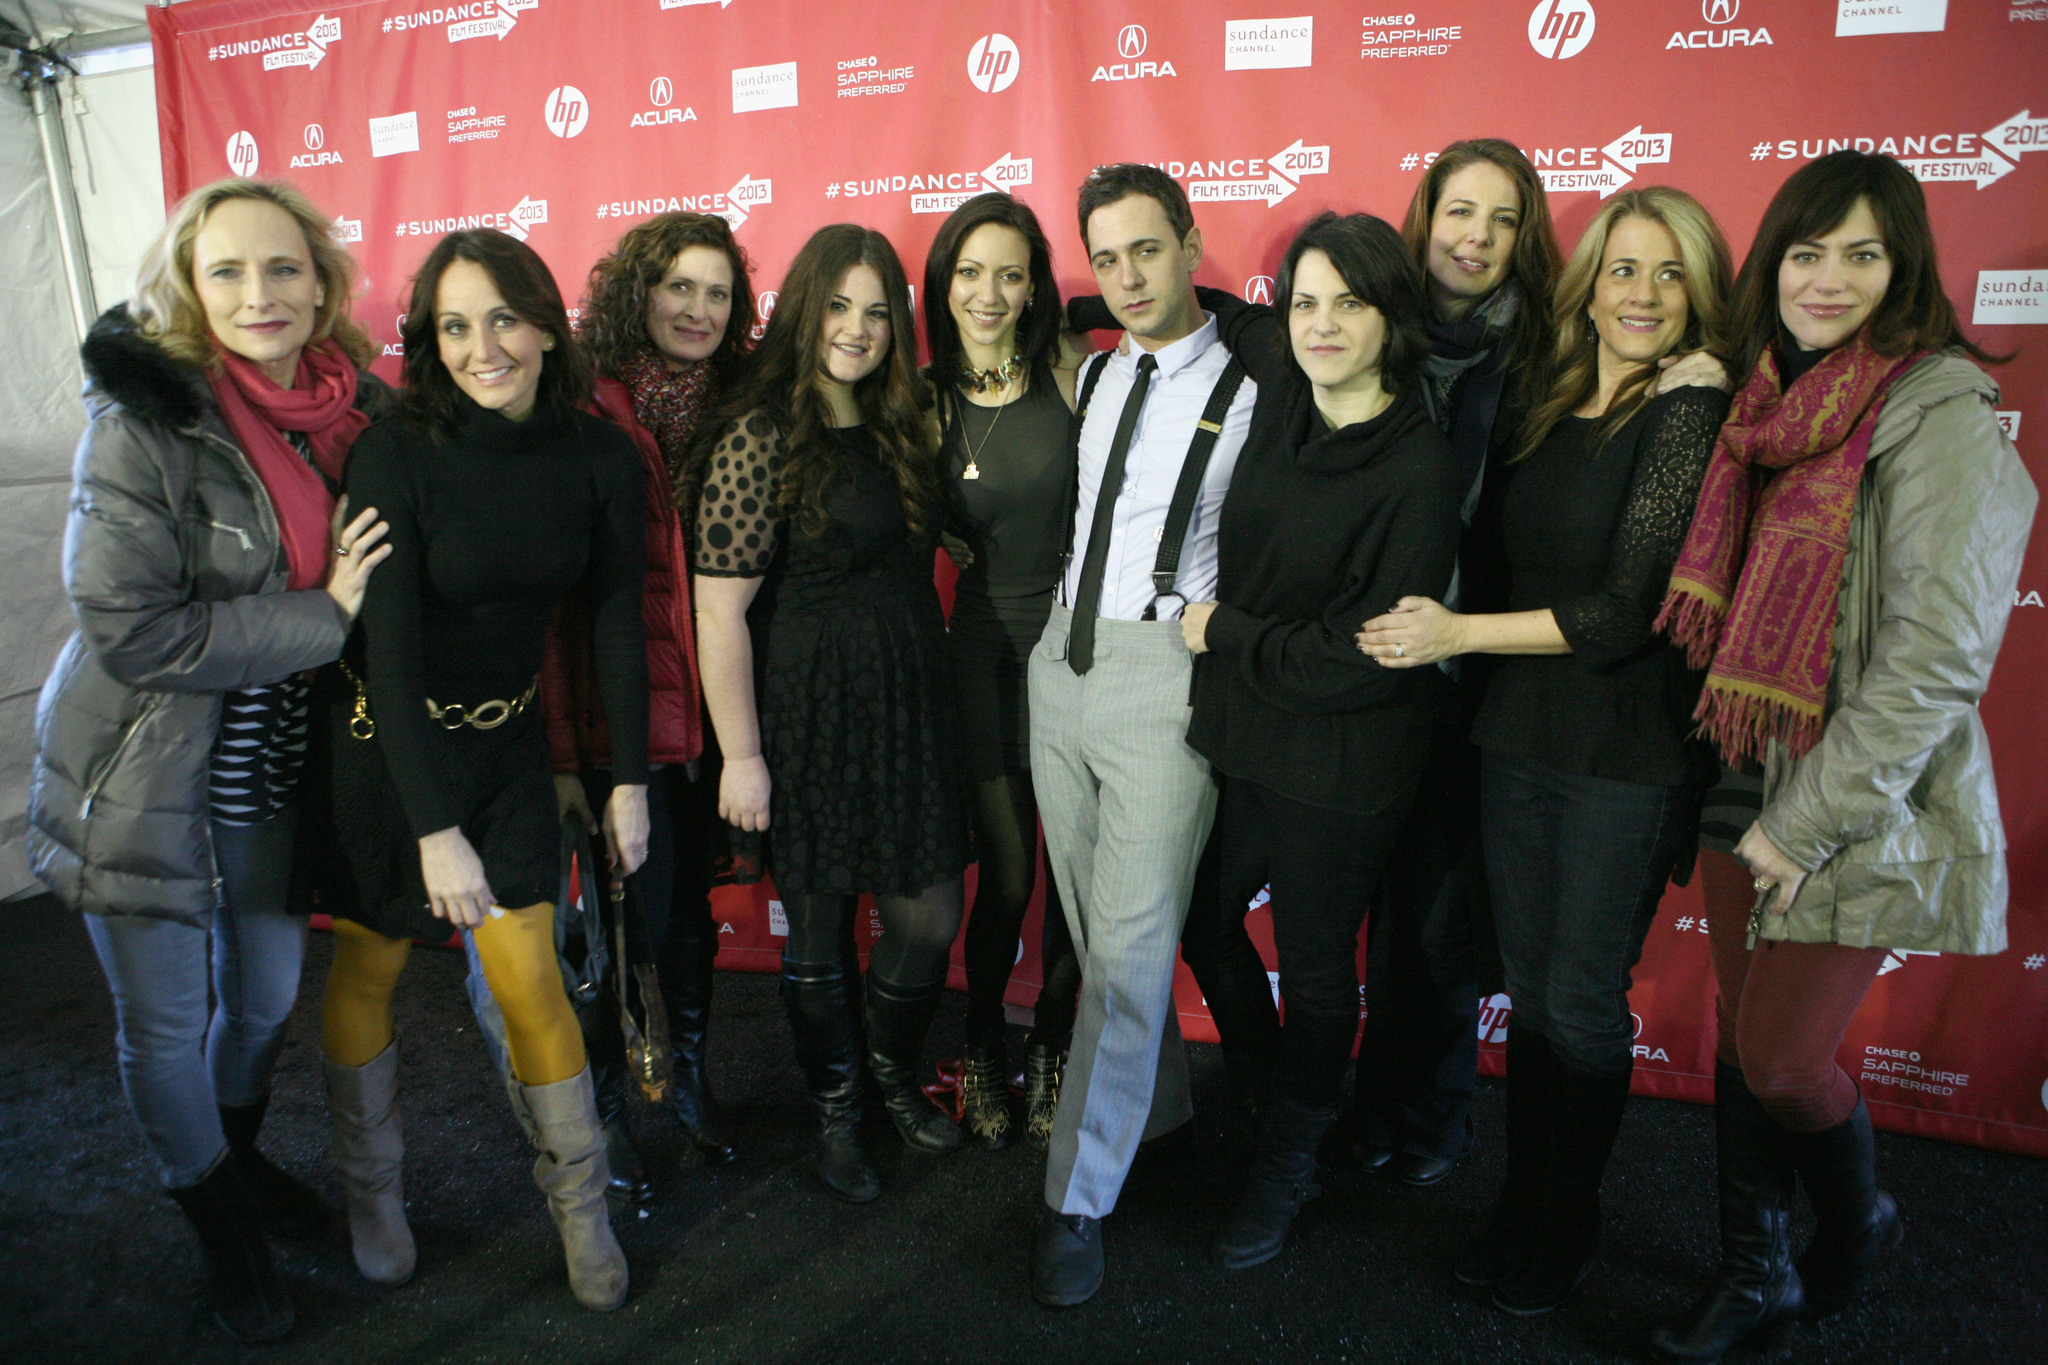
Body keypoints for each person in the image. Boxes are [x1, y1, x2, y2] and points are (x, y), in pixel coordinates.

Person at [1651, 152, 2035, 1361]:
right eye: (1806, 253)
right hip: (1733, 765)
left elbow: (1931, 659)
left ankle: (1855, 1220)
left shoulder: (1938, 413)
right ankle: (1750, 1273)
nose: (1825, 280)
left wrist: (1799, 823)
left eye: (1859, 255)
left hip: (1847, 795)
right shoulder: (1753, 409)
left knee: (1778, 1057)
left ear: (1900, 267)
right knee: (1739, 1033)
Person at [1359, 186, 1736, 1316]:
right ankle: (1523, 1206)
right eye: (1622, 269)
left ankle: (1564, 1225)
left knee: (1574, 1006)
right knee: (1528, 1001)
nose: (1641, 295)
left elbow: (1625, 612)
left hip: (1623, 756)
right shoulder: (1554, 393)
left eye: (1669, 275)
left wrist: (1455, 633)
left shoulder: (1688, 412)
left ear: (1700, 296)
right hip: (1514, 736)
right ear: (1586, 284)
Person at [27, 178, 391, 1343]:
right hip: (141, 769)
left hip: (271, 762)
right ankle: (217, 1222)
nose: (258, 294)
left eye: (282, 268)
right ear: (186, 287)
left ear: (322, 279)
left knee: (267, 998)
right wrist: (323, 617)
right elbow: (132, 629)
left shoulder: (354, 412)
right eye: (225, 271)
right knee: (168, 1027)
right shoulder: (141, 419)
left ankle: (226, 1157)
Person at [318, 229, 648, 1313]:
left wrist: (627, 777)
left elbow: (610, 623)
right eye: (453, 326)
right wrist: (431, 827)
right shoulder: (395, 448)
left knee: (532, 982)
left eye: (501, 317)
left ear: (546, 322)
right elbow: (392, 650)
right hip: (389, 752)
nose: (480, 347)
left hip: (507, 746)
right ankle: (374, 1196)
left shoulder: (597, 454)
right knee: (368, 973)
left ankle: (581, 1211)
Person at [1167, 212, 1462, 1268]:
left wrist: (1223, 632)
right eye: (1306, 301)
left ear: (1391, 318)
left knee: (1315, 969)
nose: (1323, 323)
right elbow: (1191, 305)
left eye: (1350, 302)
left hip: (1348, 752)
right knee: (1201, 926)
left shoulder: (1418, 466)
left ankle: (1285, 1171)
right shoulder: (1282, 395)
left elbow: (1363, 654)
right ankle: (1275, 1105)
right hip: (1248, 729)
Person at [691, 224, 965, 1205]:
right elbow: (717, 607)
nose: (856, 329)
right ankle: (839, 1110)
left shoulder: (905, 420)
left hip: (905, 698)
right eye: (839, 306)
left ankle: (888, 1068)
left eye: (877, 311)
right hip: (802, 708)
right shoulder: (759, 434)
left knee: (926, 918)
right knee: (814, 936)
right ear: (804, 308)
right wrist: (741, 758)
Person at [1028, 164, 1258, 1308]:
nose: (1125, 277)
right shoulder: (1094, 377)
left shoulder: (1260, 383)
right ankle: (1152, 1115)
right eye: (1104, 258)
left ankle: (1077, 1198)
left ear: (1190, 242)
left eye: (1145, 251)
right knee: (1095, 932)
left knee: (1123, 952)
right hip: (1055, 668)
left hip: (1164, 683)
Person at [1322, 138, 1563, 1184]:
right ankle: (1367, 1114)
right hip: (1356, 675)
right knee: (1364, 917)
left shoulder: (1549, 357)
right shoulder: (1371, 332)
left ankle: (1433, 1120)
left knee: (1433, 928)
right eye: (1458, 211)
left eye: (1499, 219)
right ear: (1422, 217)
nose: (1474, 237)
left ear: (1524, 238)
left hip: (1474, 680)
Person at [535, 211, 757, 1194]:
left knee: (680, 919)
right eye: (680, 287)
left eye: (717, 292)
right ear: (638, 290)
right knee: (613, 924)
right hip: (614, 708)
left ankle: (691, 1083)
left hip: (703, 711)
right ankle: (613, 1110)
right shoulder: (584, 405)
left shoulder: (737, 408)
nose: (698, 309)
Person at [922, 192, 1084, 1150]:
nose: (988, 292)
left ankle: (1055, 1048)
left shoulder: (1071, 373)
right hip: (977, 653)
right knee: (1013, 878)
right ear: (944, 283)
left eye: (1010, 273)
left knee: (1069, 878)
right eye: (970, 272)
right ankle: (984, 1043)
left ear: (1034, 287)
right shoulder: (921, 395)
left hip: (1073, 651)